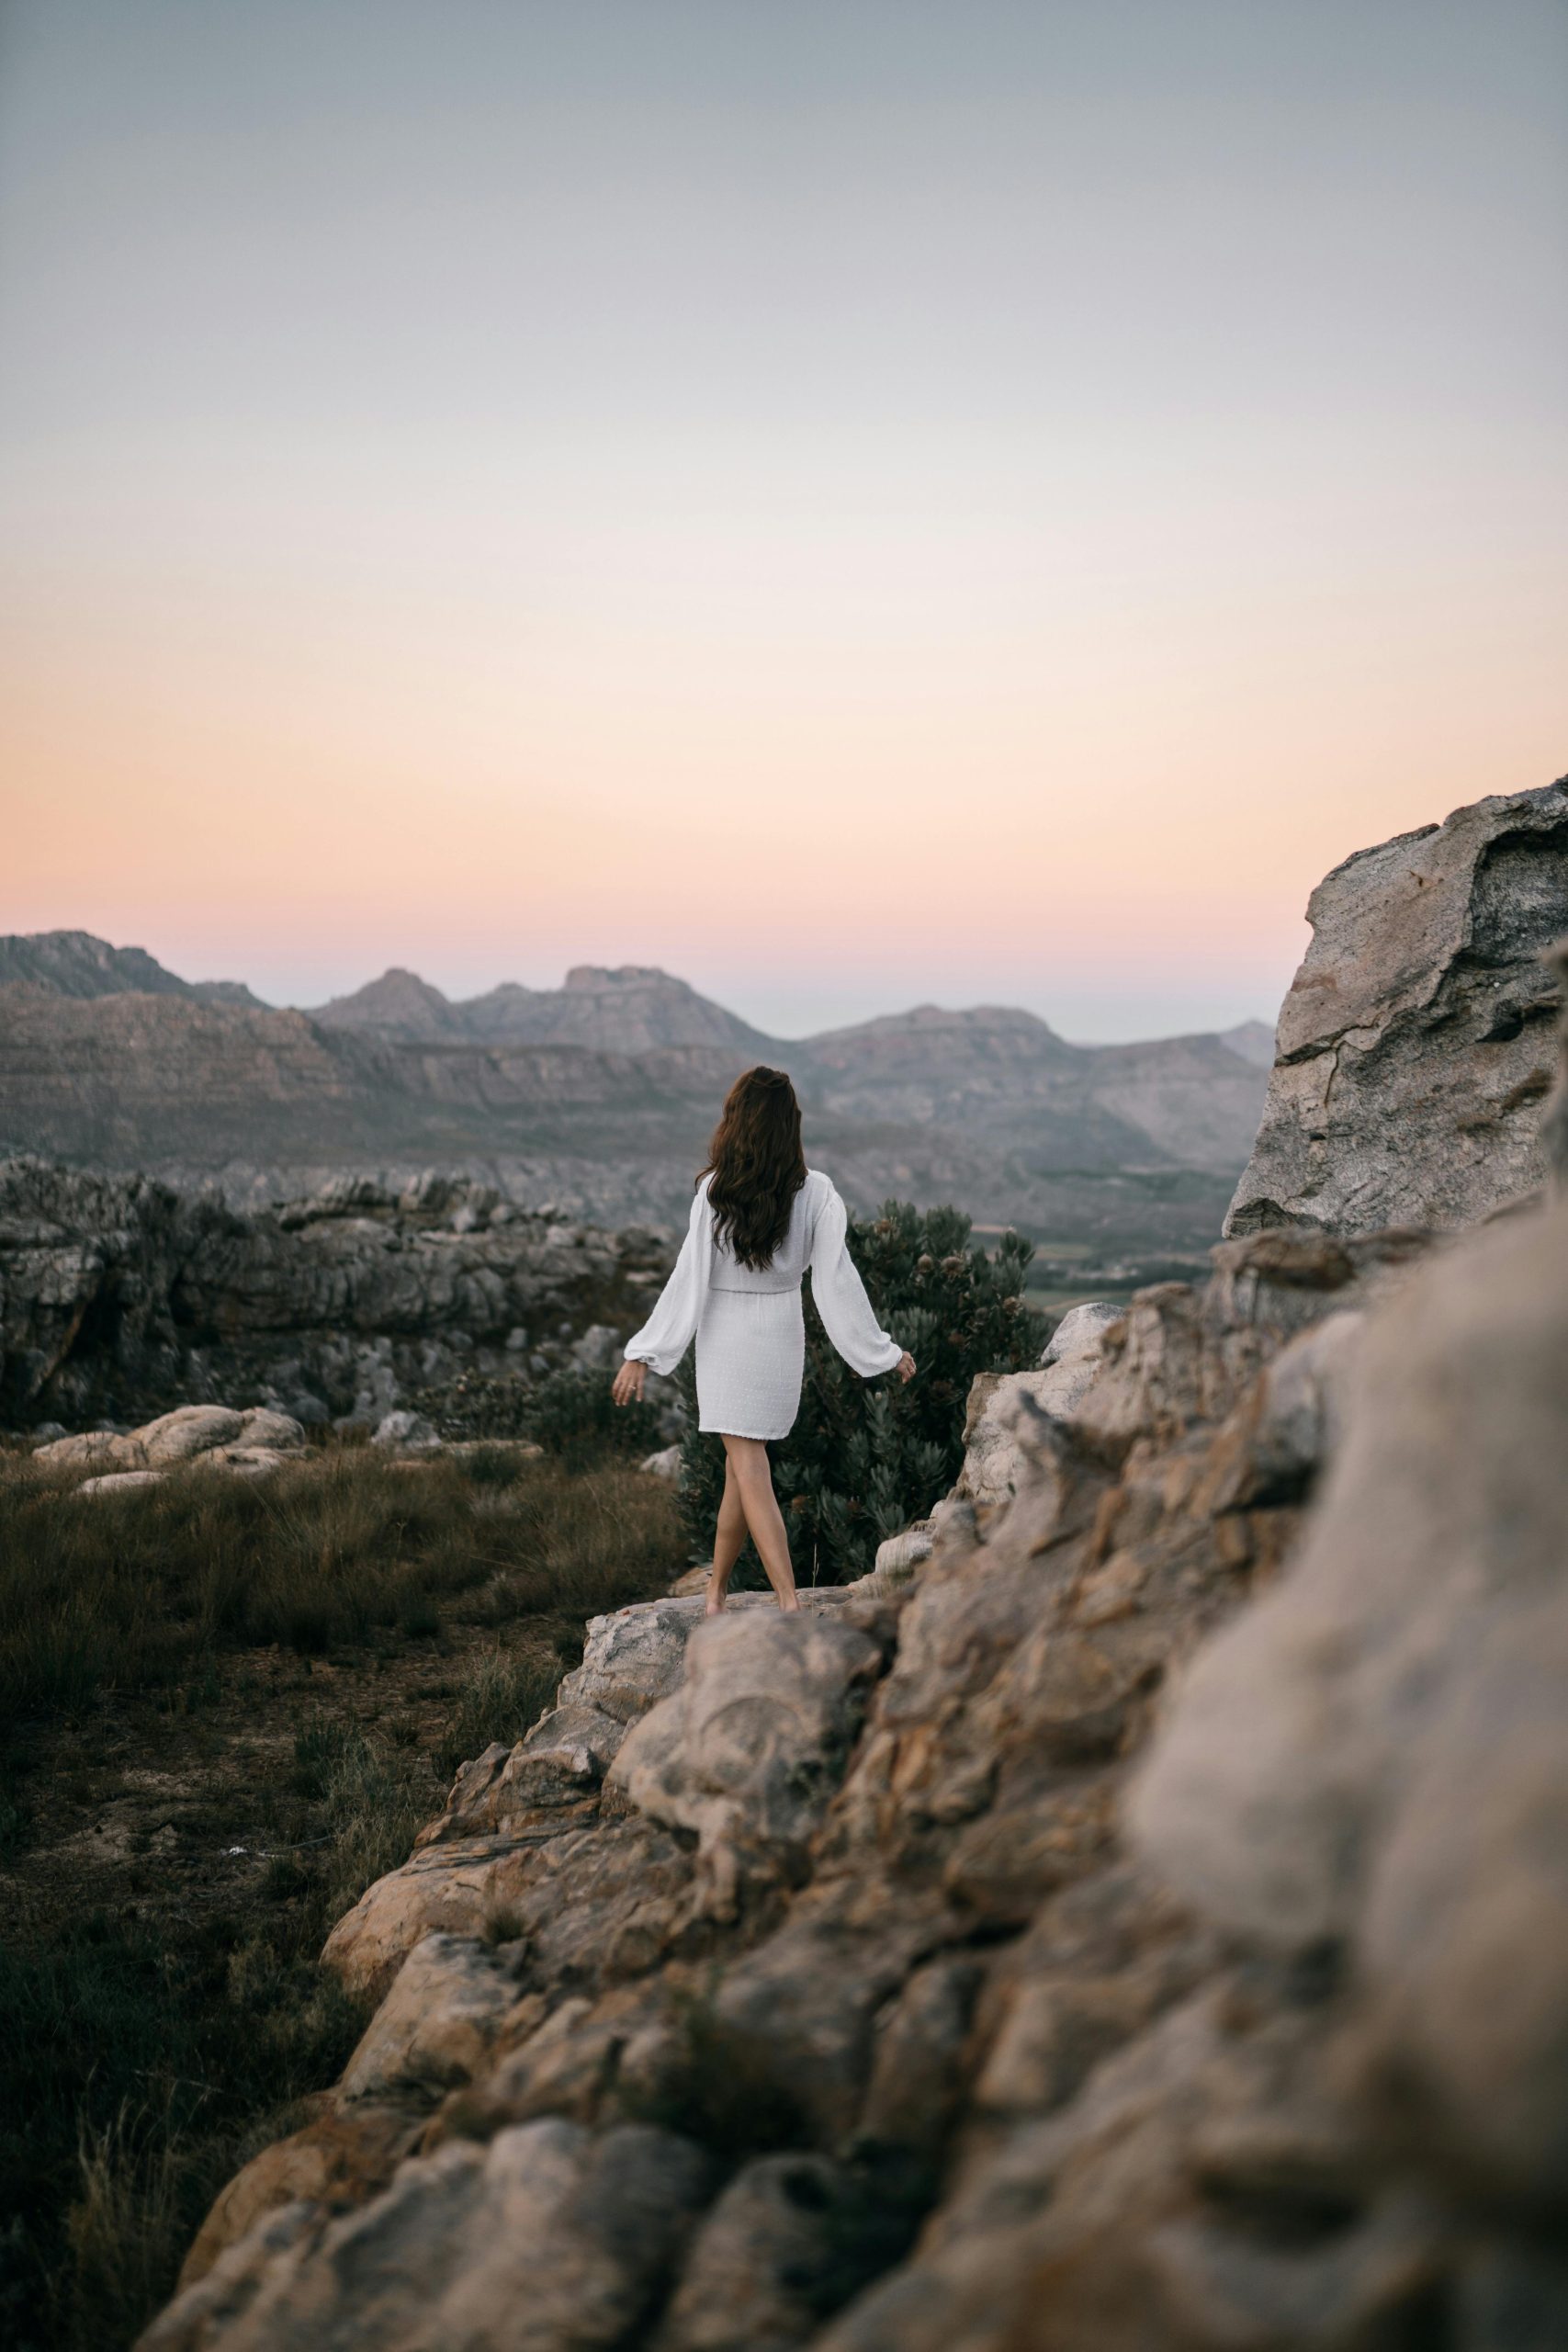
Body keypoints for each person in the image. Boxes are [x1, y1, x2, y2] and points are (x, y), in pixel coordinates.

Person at [611, 1065, 915, 1613]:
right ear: (788, 1126)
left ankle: (787, 1602)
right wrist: (881, 1352)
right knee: (741, 1464)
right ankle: (717, 1590)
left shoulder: (715, 1189)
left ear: (737, 1122)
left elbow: (688, 1277)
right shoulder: (816, 1191)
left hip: (727, 1335)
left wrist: (644, 1352)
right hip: (779, 1333)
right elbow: (836, 1282)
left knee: (747, 1464)